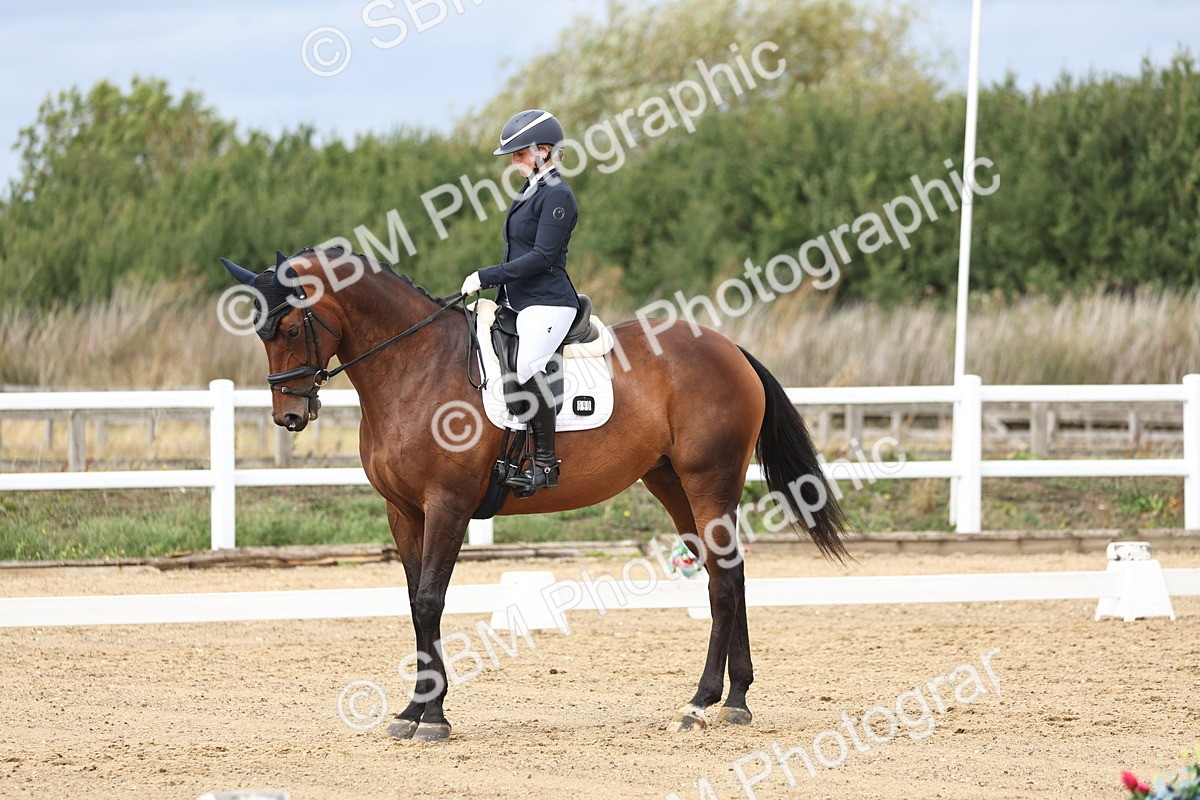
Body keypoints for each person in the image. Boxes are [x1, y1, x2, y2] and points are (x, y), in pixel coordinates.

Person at [460, 109, 580, 496]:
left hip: (549, 302)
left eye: (518, 154)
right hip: (518, 301)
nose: (513, 163)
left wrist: (486, 275)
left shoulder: (558, 195)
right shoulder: (531, 191)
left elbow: (543, 256)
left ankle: (545, 465)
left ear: (543, 151)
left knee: (527, 368)